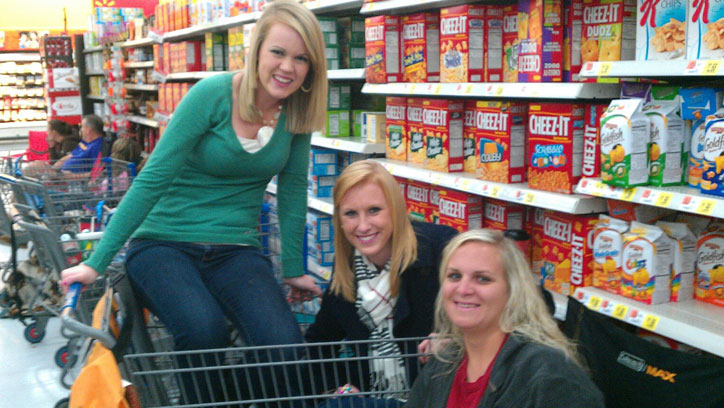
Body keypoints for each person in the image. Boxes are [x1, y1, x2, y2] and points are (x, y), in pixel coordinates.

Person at [62, 0, 327, 403]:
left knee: (285, 347)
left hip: (235, 249)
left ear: (312, 68)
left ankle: (212, 398)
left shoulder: (297, 114)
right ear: (256, 51)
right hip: (163, 244)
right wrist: (96, 262)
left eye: (301, 58)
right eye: (278, 52)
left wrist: (292, 267)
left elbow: (292, 193)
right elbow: (152, 179)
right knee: (204, 330)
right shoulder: (212, 95)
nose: (287, 67)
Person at [304, 160, 458, 407]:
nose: (363, 226)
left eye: (374, 210)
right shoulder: (347, 270)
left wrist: (455, 339)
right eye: (351, 213)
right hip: (378, 396)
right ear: (340, 220)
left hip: (439, 395)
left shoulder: (441, 249)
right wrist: (337, 388)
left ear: (395, 210)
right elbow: (320, 342)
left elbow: (504, 307)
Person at [405, 229, 605, 408]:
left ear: (513, 291)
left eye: (483, 278)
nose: (463, 289)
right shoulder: (442, 364)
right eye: (454, 276)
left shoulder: (550, 376)